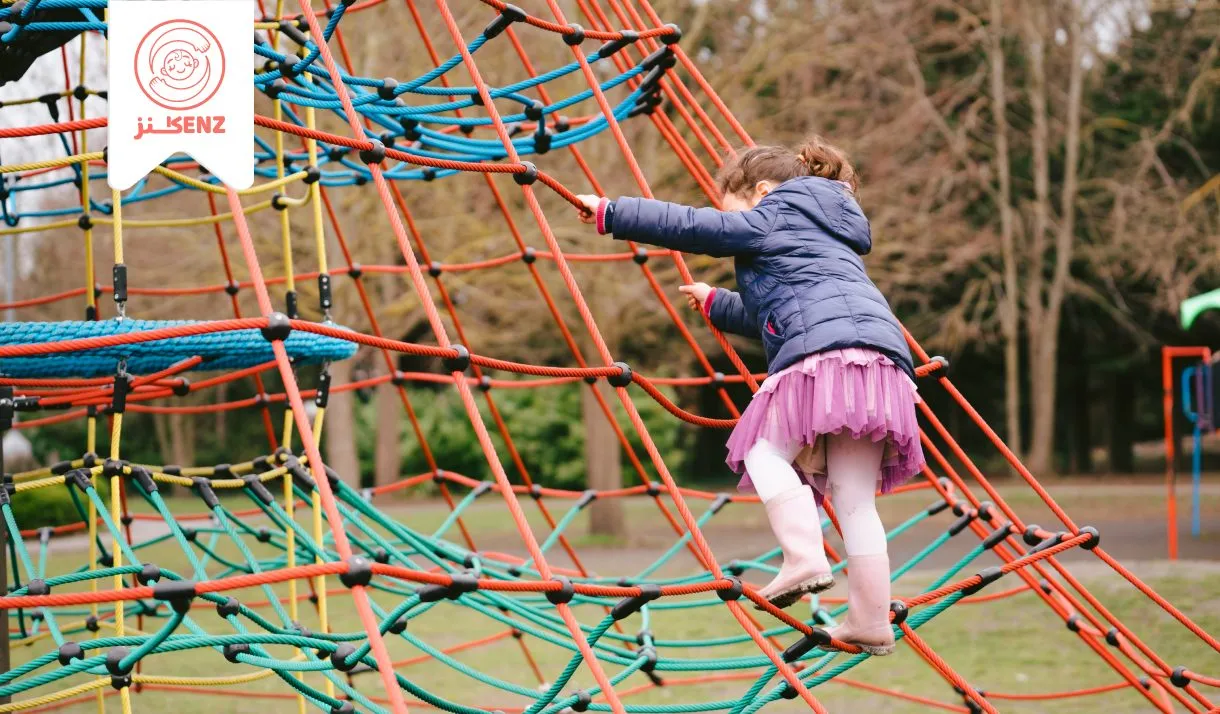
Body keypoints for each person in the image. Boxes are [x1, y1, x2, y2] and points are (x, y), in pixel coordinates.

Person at [575, 137, 924, 656]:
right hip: (881, 363)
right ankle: (871, 620)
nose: (732, 222)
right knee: (854, 501)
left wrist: (613, 212)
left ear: (761, 191)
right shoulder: (830, 228)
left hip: (822, 355)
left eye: (732, 210)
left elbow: (696, 228)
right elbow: (781, 310)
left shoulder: (775, 211)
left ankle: (803, 556)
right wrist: (717, 302)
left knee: (763, 450)